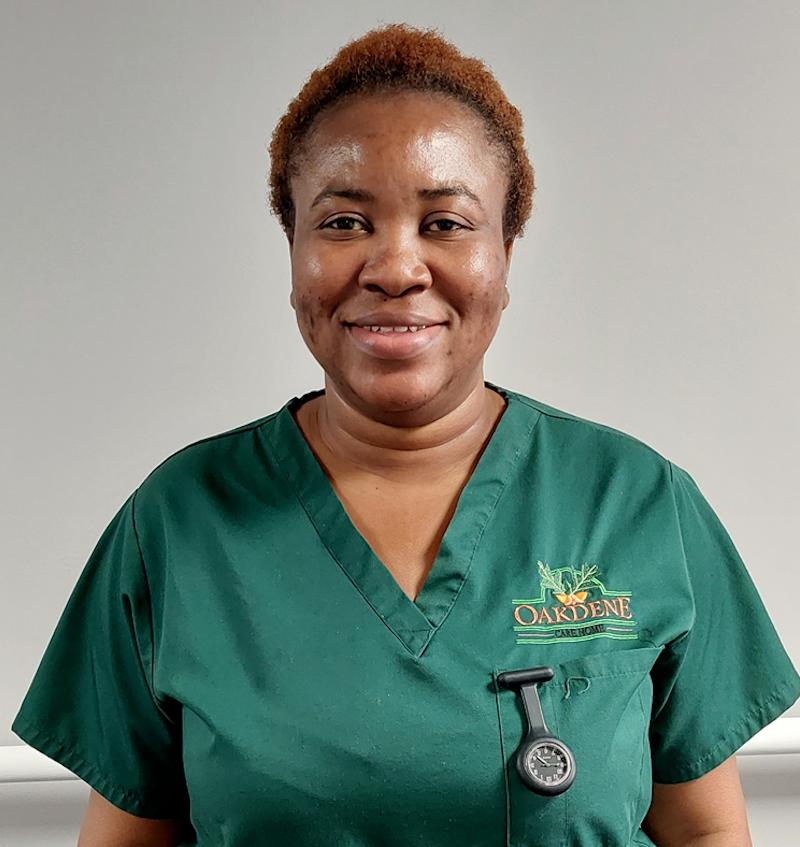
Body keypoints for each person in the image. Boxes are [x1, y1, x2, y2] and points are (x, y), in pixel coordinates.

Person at [11, 22, 800, 847]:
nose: (394, 266)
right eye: (345, 222)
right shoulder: (177, 523)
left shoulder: (636, 504)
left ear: (505, 249)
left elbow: (708, 833)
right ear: (293, 247)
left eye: (446, 223)